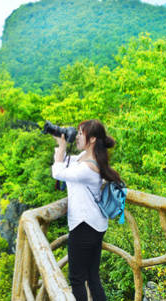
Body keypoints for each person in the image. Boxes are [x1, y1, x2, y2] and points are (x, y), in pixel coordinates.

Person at [52, 119, 122, 301]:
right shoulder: (89, 159)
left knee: (76, 279)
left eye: (80, 133)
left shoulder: (87, 168)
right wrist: (59, 144)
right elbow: (66, 162)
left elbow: (58, 172)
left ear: (91, 139)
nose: (77, 137)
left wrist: (61, 148)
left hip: (83, 226)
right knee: (92, 277)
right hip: (95, 225)